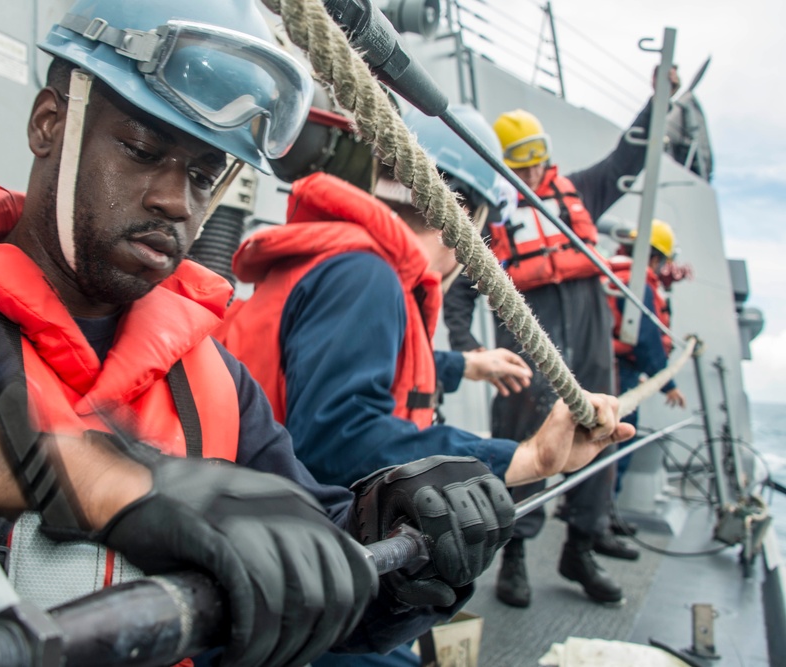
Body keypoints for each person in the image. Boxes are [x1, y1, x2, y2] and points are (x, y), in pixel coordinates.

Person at [0, 3, 632, 666]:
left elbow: (313, 564)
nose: (174, 200)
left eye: (202, 173)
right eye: (143, 146)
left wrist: (409, 543)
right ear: (49, 124)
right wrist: (77, 471)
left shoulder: (217, 387)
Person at [216, 90, 633, 667]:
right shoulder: (365, 277)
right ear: (471, 217)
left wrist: (469, 364)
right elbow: (339, 437)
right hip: (289, 577)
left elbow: (338, 372)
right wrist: (526, 458)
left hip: (257, 545)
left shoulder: (345, 265)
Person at [444, 67, 681, 608]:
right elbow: (458, 295)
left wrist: (658, 100)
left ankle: (580, 547)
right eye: (519, 157)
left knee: (600, 443)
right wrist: (471, 348)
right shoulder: (491, 223)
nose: (530, 166)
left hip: (593, 349)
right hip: (529, 364)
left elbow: (629, 158)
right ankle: (516, 557)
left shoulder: (581, 193)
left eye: (535, 154)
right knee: (524, 454)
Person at [605, 220, 687, 498]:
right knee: (618, 445)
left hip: (605, 366)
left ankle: (590, 515)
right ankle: (598, 522)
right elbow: (646, 338)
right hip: (622, 374)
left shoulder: (614, 275)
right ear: (653, 257)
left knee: (603, 444)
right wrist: (668, 383)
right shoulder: (637, 283)